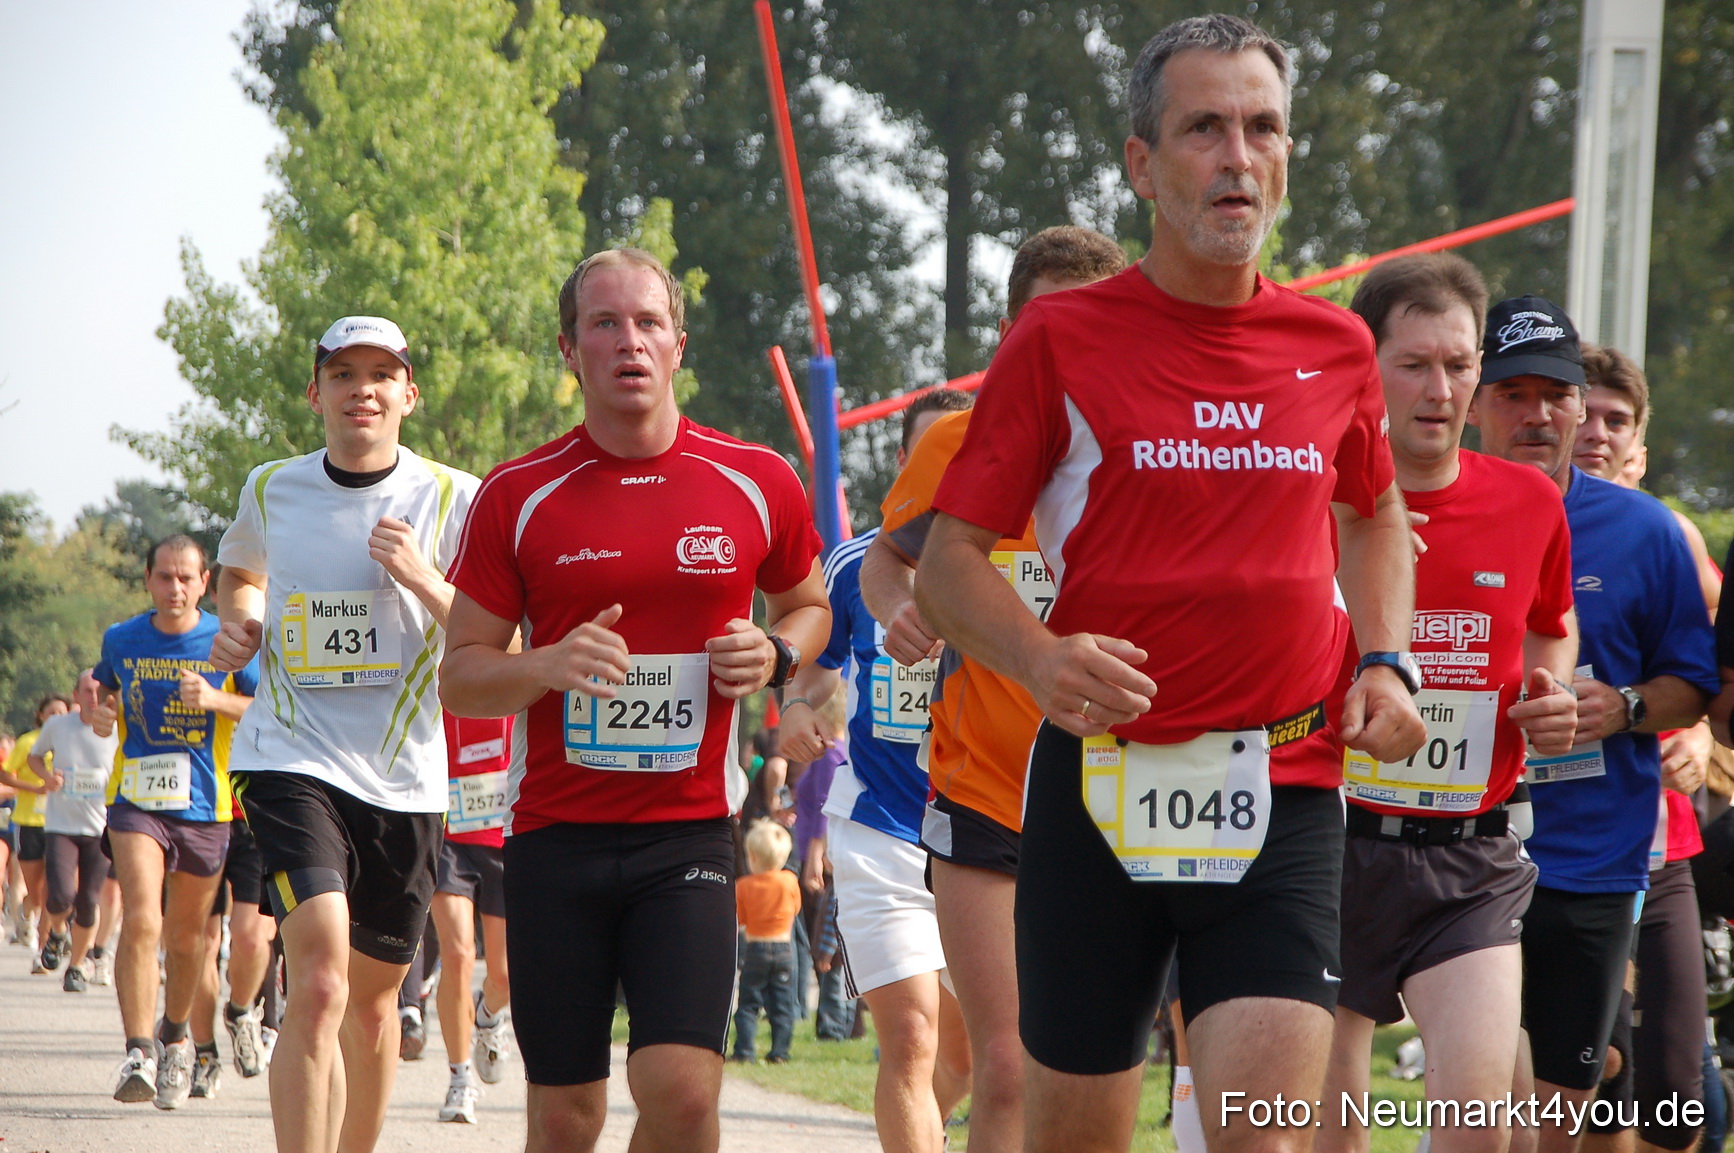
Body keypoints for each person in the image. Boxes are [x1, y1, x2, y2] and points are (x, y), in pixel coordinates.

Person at [912, 15, 1428, 1153]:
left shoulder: (1336, 345)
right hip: (1098, 786)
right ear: (1143, 165)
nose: (1239, 156)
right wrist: (1037, 656)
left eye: (1263, 128)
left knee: (1262, 1136)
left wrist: (1387, 661)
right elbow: (947, 562)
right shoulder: (1059, 338)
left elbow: (1374, 511)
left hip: (1285, 779)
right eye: (1205, 128)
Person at [439, 247, 829, 1153]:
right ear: (568, 348)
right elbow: (460, 672)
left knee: (684, 1095)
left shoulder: (755, 478)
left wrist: (775, 651)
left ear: (679, 344)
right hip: (555, 839)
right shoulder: (517, 494)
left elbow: (809, 606)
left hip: (687, 835)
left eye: (649, 322)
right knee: (565, 1116)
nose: (629, 341)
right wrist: (546, 664)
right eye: (604, 323)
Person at [863, 223, 1130, 1151]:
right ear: (1011, 336)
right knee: (1007, 1065)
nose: (1064, 349)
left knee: (1093, 1075)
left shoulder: (1155, 450)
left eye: (1088, 326)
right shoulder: (956, 442)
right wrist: (900, 608)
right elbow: (887, 561)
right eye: (1042, 328)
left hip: (1118, 799)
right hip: (986, 794)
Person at [1312, 254, 1578, 1153]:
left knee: (1480, 1127)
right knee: (1324, 1133)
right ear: (1367, 367)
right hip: (1328, 842)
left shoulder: (1529, 499)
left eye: (1460, 365)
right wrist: (1344, 561)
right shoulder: (1311, 499)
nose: (1441, 390)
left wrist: (1548, 690)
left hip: (1470, 854)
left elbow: (1551, 627)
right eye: (1414, 365)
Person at [210, 315, 479, 1153]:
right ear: (315, 391)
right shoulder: (272, 487)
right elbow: (240, 570)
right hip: (290, 756)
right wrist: (243, 620)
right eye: (343, 374)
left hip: (405, 777)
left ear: (409, 393)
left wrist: (423, 577)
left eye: (381, 373)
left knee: (371, 1006)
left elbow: (498, 635)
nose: (362, 388)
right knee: (321, 981)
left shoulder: (455, 496)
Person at [1469, 298, 1719, 1153]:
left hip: (1590, 857)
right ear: (1475, 402)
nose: (1537, 415)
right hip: (1452, 853)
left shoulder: (1647, 532)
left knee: (1564, 1107)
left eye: (1556, 395)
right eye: (1513, 393)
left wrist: (1626, 706)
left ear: (1579, 408)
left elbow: (1694, 686)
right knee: (1475, 1099)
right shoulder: (1412, 513)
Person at [779, 386, 976, 1153]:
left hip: (982, 832)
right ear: (902, 464)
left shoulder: (1014, 563)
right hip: (880, 829)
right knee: (912, 1037)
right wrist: (798, 706)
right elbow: (817, 665)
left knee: (966, 1058)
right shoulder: (856, 563)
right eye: (930, 454)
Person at [1569, 343, 1715, 1153]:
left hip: (1661, 847)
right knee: (1598, 1077)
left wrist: (1696, 729)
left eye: (1616, 419)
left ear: (1639, 445)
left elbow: (1707, 673)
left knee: (1676, 1092)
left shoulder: (1667, 533)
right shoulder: (1521, 518)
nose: (1596, 432)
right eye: (1584, 413)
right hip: (1554, 846)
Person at [93, 535, 256, 1110]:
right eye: (164, 576)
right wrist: (97, 711)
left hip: (206, 806)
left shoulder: (226, 640)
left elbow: (267, 709)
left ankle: (177, 1037)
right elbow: (100, 691)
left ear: (206, 582)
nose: (175, 588)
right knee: (142, 919)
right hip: (135, 800)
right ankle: (138, 1051)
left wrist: (216, 701)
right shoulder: (122, 638)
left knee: (188, 941)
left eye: (186, 577)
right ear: (148, 580)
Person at [431, 712, 515, 1125]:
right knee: (458, 955)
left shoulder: (523, 682)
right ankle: (460, 1077)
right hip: (449, 836)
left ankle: (487, 1015)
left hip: (505, 836)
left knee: (504, 975)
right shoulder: (442, 681)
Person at [29, 670, 121, 992]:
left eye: (98, 691)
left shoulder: (117, 729)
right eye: (87, 691)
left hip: (99, 826)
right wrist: (47, 778)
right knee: (59, 896)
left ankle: (78, 966)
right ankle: (57, 933)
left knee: (88, 900)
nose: (93, 697)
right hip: (61, 825)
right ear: (76, 695)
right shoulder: (58, 726)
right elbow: (34, 757)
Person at [0, 694, 72, 954]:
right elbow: (4, 774)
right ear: (40, 716)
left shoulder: (73, 741)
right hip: (29, 821)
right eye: (51, 713)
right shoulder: (28, 742)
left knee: (56, 889)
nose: (56, 717)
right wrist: (34, 788)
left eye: (61, 713)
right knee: (37, 892)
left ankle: (46, 946)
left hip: (61, 823)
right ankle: (26, 914)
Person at [732, 819, 802, 1064]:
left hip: (756, 948)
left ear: (751, 856)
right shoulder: (790, 881)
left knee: (748, 1004)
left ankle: (744, 1051)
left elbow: (741, 919)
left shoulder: (743, 885)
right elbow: (795, 909)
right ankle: (780, 1052)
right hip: (784, 949)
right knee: (782, 1005)